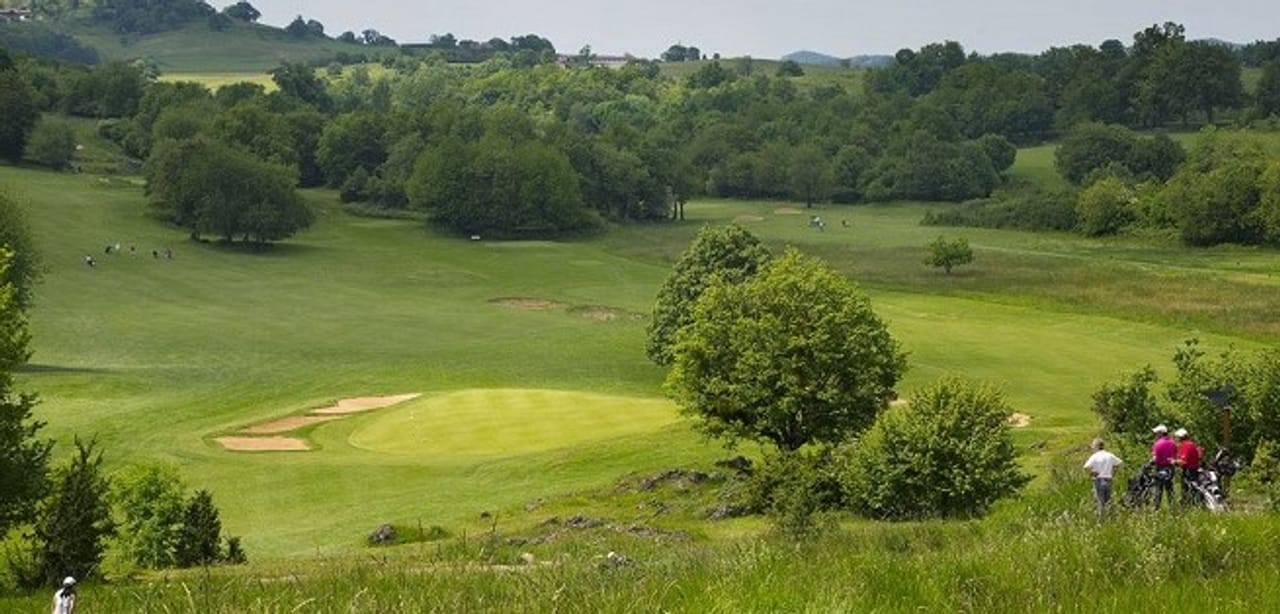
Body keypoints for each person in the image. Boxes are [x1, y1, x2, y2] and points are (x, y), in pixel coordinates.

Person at [1083, 438, 1123, 517]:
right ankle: (1111, 517)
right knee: (1108, 500)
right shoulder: (1109, 455)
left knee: (1100, 501)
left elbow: (1086, 467)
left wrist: (1092, 474)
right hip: (1108, 479)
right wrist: (1113, 472)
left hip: (1098, 479)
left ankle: (1101, 519)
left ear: (1096, 446)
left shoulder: (1095, 456)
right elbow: (1119, 463)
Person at [1151, 424, 1178, 509]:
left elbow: (1155, 458)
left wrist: (1151, 462)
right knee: (1170, 488)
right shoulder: (1173, 443)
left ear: (1160, 433)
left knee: (1158, 488)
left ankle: (1156, 508)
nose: (1155, 435)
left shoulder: (1158, 444)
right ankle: (1173, 507)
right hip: (1170, 468)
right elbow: (1175, 455)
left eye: (1157, 433)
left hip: (1160, 467)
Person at [1175, 428, 1203, 505]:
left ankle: (1187, 505)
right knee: (1193, 489)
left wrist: (1173, 462)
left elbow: (1183, 462)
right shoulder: (1192, 444)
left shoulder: (1186, 445)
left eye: (1176, 437)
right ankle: (1192, 503)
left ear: (1180, 437)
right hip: (1194, 469)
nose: (1176, 439)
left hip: (1189, 471)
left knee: (1187, 489)